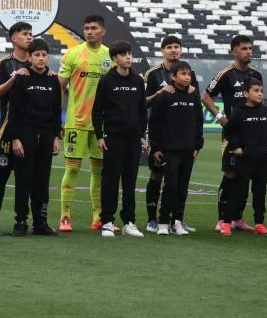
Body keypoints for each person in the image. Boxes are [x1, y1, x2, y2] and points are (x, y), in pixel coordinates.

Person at [57, 15, 112, 231]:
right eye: (86, 28)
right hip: (76, 122)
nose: (89, 31)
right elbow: (60, 87)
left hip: (102, 126)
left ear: (103, 31)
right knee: (72, 169)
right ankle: (65, 216)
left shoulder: (110, 56)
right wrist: (57, 119)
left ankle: (98, 217)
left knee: (99, 171)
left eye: (93, 28)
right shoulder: (72, 53)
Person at [203, 34, 262, 233]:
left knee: (246, 175)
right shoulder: (226, 74)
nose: (249, 52)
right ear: (234, 51)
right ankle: (222, 218)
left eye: (250, 48)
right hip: (232, 134)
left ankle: (237, 217)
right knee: (230, 173)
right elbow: (206, 96)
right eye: (244, 48)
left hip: (252, 134)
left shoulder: (255, 74)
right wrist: (220, 115)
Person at [92, 41, 147, 238]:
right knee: (110, 180)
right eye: (124, 55)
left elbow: (142, 110)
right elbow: (97, 110)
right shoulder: (107, 81)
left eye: (129, 54)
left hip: (133, 139)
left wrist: (142, 134)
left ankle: (129, 222)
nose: (128, 58)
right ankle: (107, 221)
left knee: (130, 182)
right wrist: (99, 136)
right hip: (113, 137)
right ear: (115, 59)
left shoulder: (138, 81)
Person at [7, 38, 61, 236]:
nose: (41, 58)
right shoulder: (22, 78)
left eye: (44, 55)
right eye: (37, 55)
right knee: (24, 180)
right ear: (29, 57)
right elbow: (13, 111)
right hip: (25, 134)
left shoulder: (53, 79)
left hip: (46, 135)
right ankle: (20, 222)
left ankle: (41, 223)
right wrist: (15, 138)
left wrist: (56, 137)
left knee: (42, 181)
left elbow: (56, 112)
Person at [143, 36, 198, 232]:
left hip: (182, 138)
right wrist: (159, 94)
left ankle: (177, 220)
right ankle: (153, 219)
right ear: (162, 51)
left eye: (177, 47)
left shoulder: (189, 72)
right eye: (169, 47)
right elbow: (144, 102)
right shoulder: (153, 74)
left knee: (178, 181)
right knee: (157, 175)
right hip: (160, 133)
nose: (173, 50)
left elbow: (195, 104)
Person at [0, 22, 34, 235]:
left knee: (28, 179)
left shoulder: (37, 62)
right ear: (14, 38)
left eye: (31, 34)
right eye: (25, 34)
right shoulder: (4, 63)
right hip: (8, 129)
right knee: (1, 176)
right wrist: (15, 78)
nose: (29, 37)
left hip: (31, 129)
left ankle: (23, 221)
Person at [222, 79, 267, 236]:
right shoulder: (238, 111)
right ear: (246, 93)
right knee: (237, 191)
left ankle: (259, 223)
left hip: (262, 160)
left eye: (261, 90)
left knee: (260, 192)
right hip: (244, 159)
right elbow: (229, 133)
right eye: (255, 90)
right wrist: (237, 147)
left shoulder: (265, 111)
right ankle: (226, 222)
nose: (260, 94)